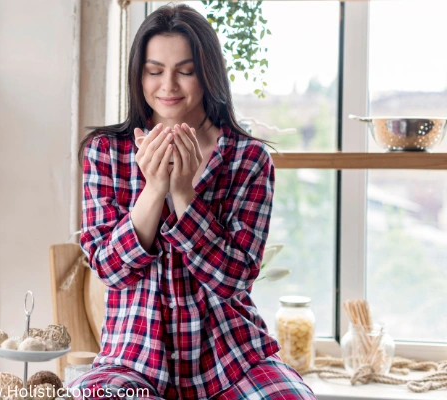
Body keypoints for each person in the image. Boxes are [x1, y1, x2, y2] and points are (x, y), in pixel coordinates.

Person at [70, 4, 316, 400]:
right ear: (138, 75)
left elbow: (233, 280)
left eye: (185, 71)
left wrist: (184, 192)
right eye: (154, 71)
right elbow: (109, 269)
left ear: (208, 75)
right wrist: (153, 190)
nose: (168, 85)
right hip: (132, 358)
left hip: (233, 358)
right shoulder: (107, 152)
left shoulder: (247, 160)